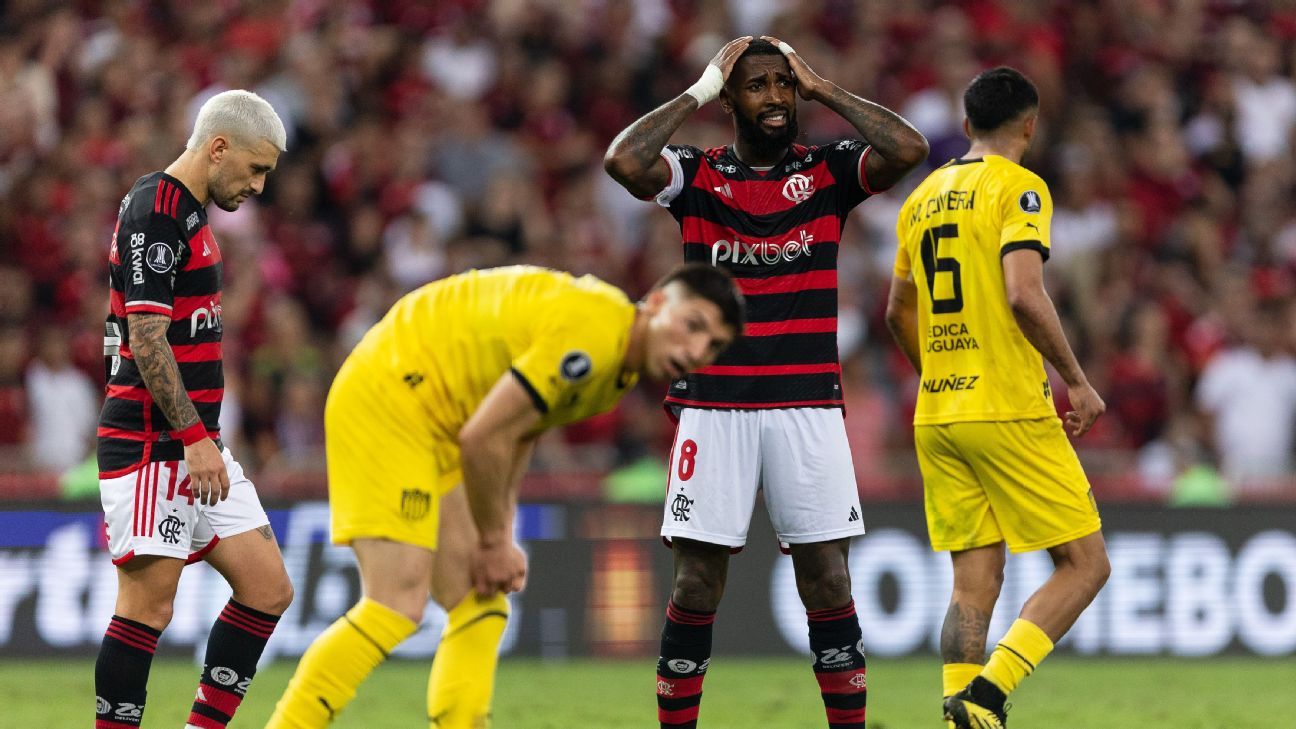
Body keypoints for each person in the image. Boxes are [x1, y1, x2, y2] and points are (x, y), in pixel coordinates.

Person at [604, 36, 929, 729]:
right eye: (757, 86)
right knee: (696, 582)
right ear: (728, 101)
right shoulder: (697, 176)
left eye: (783, 84)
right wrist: (694, 91)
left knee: (829, 579)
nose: (776, 98)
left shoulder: (828, 172)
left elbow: (908, 150)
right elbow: (623, 161)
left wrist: (825, 87)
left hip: (807, 405)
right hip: (713, 405)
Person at [267, 263, 744, 729]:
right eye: (693, 325)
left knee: (482, 600)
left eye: (714, 344)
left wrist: (500, 532)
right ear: (656, 302)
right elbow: (484, 439)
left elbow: (516, 433)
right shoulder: (597, 335)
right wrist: (494, 541)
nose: (698, 349)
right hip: (394, 396)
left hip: (440, 417)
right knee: (395, 604)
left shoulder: (617, 366)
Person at [884, 67, 1112, 729]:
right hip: (1006, 404)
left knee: (973, 581)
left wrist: (939, 372)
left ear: (966, 125)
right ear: (1031, 125)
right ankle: (989, 694)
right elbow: (1022, 291)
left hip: (939, 411)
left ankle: (957, 712)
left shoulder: (920, 197)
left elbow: (898, 309)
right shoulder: (1020, 188)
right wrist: (1076, 376)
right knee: (1085, 563)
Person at [94, 90, 293, 729]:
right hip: (158, 445)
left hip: (192, 443)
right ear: (218, 147)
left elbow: (118, 329)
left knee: (268, 589)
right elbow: (145, 337)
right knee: (146, 609)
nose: (259, 185)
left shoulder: (185, 213)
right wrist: (191, 437)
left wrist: (200, 439)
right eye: (255, 169)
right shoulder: (157, 211)